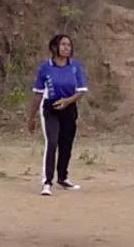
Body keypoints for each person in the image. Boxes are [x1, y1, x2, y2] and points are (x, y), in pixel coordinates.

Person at [27, 34, 88, 196]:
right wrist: (31, 117)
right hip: (50, 109)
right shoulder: (45, 68)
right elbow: (38, 94)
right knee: (52, 142)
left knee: (66, 144)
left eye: (69, 45)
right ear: (54, 47)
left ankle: (63, 177)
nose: (67, 47)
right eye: (63, 44)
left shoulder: (75, 66)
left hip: (69, 108)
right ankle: (47, 182)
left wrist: (68, 101)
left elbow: (81, 90)